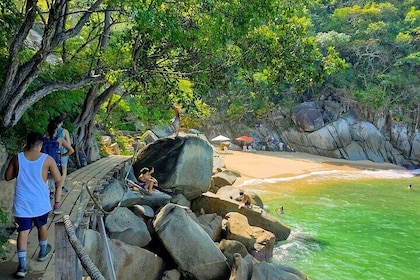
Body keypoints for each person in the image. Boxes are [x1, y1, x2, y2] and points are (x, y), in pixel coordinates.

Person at [5, 132, 64, 278]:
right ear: (40, 145)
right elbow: (58, 179)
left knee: (23, 232)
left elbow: (7, 177)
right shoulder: (47, 159)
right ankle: (43, 252)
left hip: (22, 203)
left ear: (27, 142)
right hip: (40, 202)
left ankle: (22, 266)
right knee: (42, 226)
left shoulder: (17, 158)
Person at [44, 120, 74, 198]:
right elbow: (71, 150)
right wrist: (63, 155)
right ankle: (56, 204)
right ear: (56, 129)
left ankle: (49, 192)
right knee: (59, 184)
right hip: (56, 163)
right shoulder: (59, 140)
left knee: (45, 181)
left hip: (44, 163)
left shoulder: (42, 140)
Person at [53, 115, 72, 193]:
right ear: (61, 122)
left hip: (52, 152)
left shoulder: (51, 130)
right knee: (63, 170)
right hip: (62, 152)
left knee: (53, 169)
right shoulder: (64, 131)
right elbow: (69, 144)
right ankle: (61, 186)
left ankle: (51, 188)